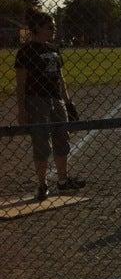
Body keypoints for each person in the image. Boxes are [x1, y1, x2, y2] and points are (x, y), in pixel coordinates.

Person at [15, 11, 86, 201]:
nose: (53, 30)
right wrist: (21, 109)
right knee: (41, 142)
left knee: (62, 139)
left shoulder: (54, 49)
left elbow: (61, 79)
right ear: (37, 27)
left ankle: (63, 180)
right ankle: (42, 184)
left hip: (56, 100)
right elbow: (20, 83)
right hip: (36, 100)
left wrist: (68, 103)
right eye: (50, 27)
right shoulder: (26, 51)